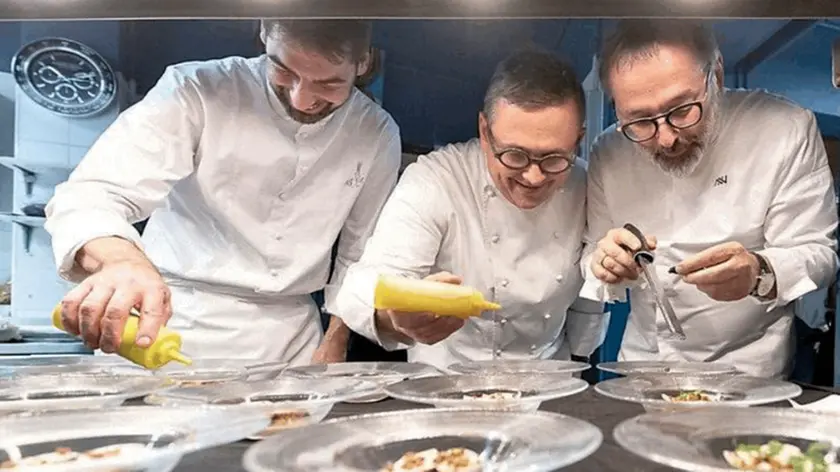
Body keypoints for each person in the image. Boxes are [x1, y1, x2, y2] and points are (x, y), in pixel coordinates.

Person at [44, 20, 401, 365]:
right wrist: (121, 262)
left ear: (364, 62)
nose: (301, 98)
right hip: (167, 318)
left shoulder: (375, 131)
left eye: (329, 84)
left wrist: (335, 342)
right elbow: (92, 193)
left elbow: (360, 254)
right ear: (264, 33)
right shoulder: (196, 89)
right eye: (284, 71)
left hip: (288, 340)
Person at [582, 19, 838, 378]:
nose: (666, 139)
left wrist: (758, 272)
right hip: (642, 369)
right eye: (639, 121)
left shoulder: (784, 128)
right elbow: (591, 252)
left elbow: (819, 253)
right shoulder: (608, 150)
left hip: (747, 370)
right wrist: (603, 263)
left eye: (682, 110)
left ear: (715, 75)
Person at [333, 50, 608, 370]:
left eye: (554, 159)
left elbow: (595, 281)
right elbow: (367, 282)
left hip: (549, 378)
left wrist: (582, 351)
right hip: (445, 384)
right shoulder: (438, 179)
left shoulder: (586, 184)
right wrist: (394, 317)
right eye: (515, 155)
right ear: (484, 131)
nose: (534, 177)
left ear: (578, 140)